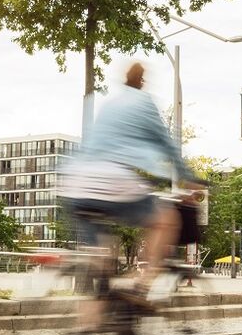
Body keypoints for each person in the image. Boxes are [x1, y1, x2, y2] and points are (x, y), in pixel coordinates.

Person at [61, 62, 202, 313]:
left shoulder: (109, 104)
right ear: (142, 81)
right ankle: (142, 286)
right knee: (166, 220)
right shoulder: (144, 103)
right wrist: (187, 178)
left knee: (100, 266)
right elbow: (167, 144)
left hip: (76, 183)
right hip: (111, 178)